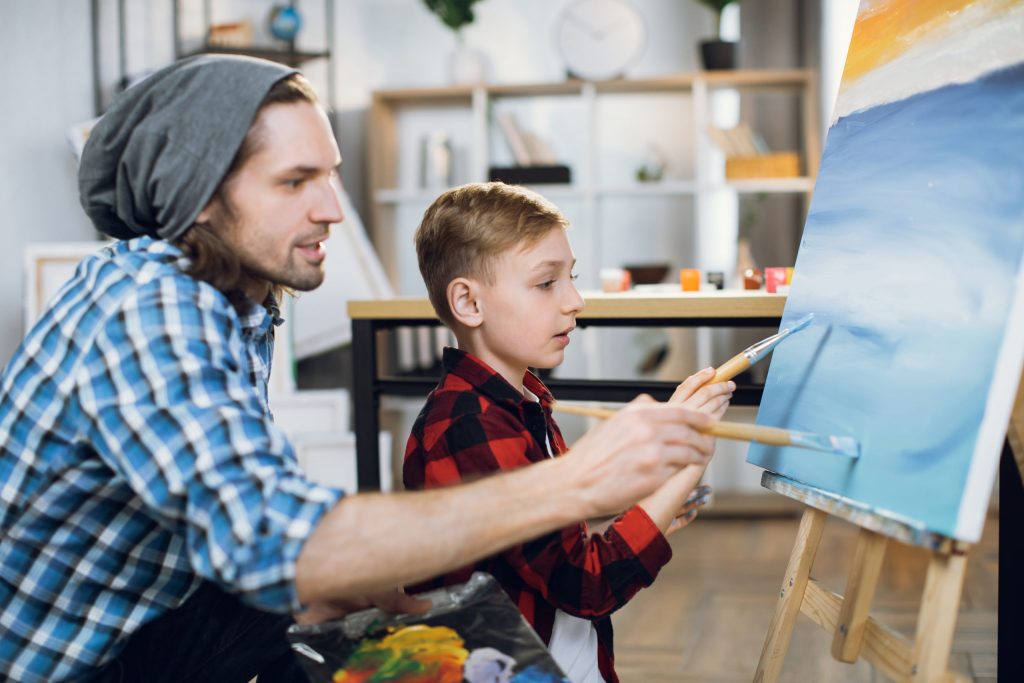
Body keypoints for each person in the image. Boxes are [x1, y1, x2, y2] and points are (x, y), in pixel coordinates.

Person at [0, 55, 718, 682]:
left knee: (342, 625)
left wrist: (338, 587)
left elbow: (232, 519)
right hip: (72, 666)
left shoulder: (234, 306)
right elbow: (273, 540)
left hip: (147, 629)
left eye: (331, 174)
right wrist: (579, 478)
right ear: (203, 197)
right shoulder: (148, 309)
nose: (334, 207)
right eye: (295, 181)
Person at [404, 182, 736, 683]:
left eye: (572, 278)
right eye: (546, 284)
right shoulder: (470, 426)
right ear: (469, 303)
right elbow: (586, 583)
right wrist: (683, 467)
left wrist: (652, 506)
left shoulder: (522, 405)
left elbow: (548, 549)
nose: (575, 300)